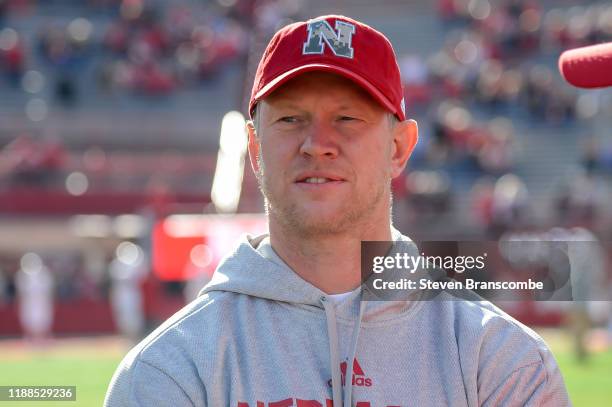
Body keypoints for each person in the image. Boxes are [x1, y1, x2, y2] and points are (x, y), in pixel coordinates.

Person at [105, 15, 570, 406]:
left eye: (347, 118)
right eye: (290, 119)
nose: (317, 145)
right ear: (254, 147)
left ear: (399, 147)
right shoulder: (169, 372)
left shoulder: (502, 361)